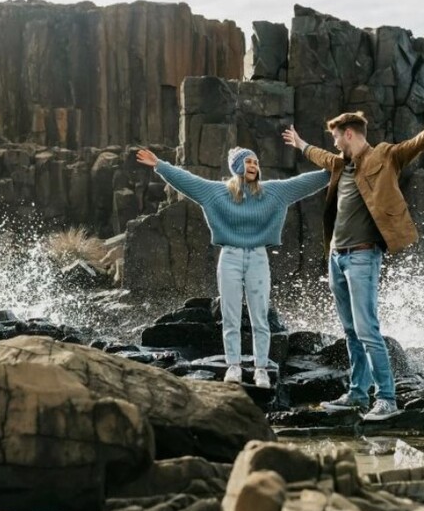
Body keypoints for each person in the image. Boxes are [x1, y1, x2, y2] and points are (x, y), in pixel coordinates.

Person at [280, 94, 424, 420]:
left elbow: (417, 142)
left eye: (336, 137)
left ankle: (387, 399)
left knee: (368, 330)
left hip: (363, 258)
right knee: (350, 331)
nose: (334, 144)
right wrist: (299, 144)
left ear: (349, 133)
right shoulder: (340, 164)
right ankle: (357, 394)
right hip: (337, 258)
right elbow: (321, 156)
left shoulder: (385, 156)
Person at [135, 146, 330, 387]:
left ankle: (261, 368)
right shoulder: (216, 193)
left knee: (260, 317)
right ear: (237, 166)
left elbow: (306, 181)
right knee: (230, 316)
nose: (254, 166)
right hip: (230, 257)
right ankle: (234, 367)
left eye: (256, 162)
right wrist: (159, 165)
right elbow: (187, 181)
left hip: (258, 258)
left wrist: (337, 166)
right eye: (248, 161)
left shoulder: (274, 192)